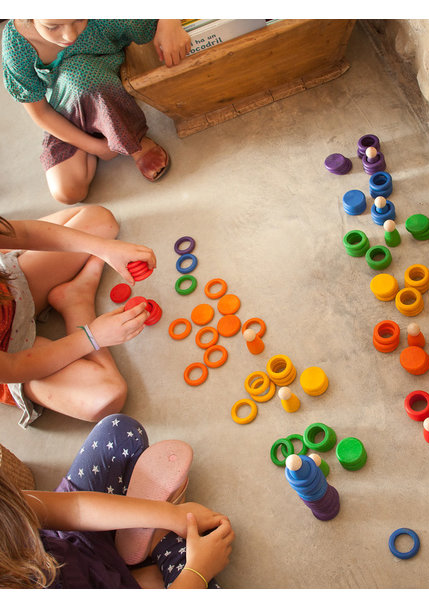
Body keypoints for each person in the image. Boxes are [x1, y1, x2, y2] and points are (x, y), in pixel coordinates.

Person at [0, 413, 235, 588]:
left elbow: (75, 508)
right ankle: (149, 560)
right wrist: (198, 572)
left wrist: (170, 514)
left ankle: (143, 551)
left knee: (119, 432)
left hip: (71, 545)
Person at [2, 19, 191, 204]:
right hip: (62, 106)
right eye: (52, 26)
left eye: (79, 19)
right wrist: (95, 147)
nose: (70, 35)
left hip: (97, 84)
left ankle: (134, 140)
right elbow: (41, 113)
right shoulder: (16, 45)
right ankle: (102, 129)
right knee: (67, 192)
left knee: (79, 78)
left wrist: (170, 21)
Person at [0, 205, 156, 428]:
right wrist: (92, 336)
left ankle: (71, 292)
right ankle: (77, 302)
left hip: (12, 288)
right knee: (106, 397)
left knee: (100, 221)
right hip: (13, 355)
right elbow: (14, 367)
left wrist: (104, 248)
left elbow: (25, 233)